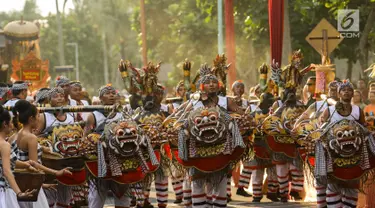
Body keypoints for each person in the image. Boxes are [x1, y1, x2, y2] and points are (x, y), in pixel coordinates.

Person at [11, 100, 71, 208]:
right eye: (38, 115)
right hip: (32, 188)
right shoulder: (31, 138)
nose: (39, 118)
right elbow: (33, 166)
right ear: (31, 119)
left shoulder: (16, 135)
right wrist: (56, 172)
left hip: (20, 185)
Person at [318, 80, 365, 208]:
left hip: (354, 155)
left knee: (352, 188)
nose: (346, 92)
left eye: (349, 90)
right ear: (339, 94)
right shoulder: (329, 110)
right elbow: (320, 128)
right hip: (333, 155)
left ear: (352, 94)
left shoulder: (358, 110)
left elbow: (364, 129)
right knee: (333, 187)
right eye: (343, 90)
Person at [85, 84, 130, 208]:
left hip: (120, 160)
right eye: (107, 93)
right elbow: (86, 138)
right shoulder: (93, 115)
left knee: (123, 197)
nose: (111, 95)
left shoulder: (123, 114)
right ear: (100, 98)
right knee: (96, 197)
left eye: (113, 93)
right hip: (99, 161)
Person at [0, 105, 36, 208]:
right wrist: (19, 193)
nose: (12, 125)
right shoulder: (4, 145)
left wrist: (25, 164)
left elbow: (9, 160)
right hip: (3, 191)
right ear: (5, 124)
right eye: (10, 122)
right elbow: (7, 171)